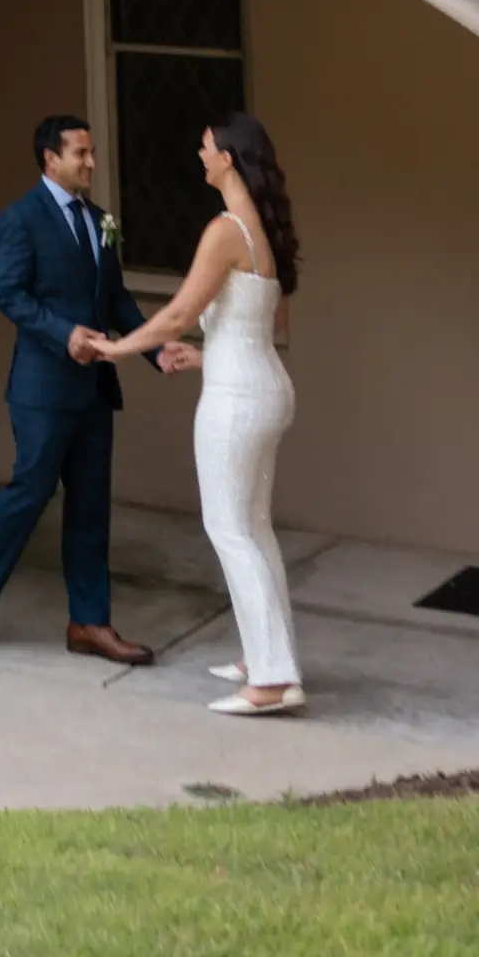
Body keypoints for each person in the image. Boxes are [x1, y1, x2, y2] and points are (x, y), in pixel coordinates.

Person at [0, 111, 192, 664]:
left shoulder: (101, 220)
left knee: (90, 507)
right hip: (41, 387)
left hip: (95, 392)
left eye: (91, 152)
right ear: (49, 159)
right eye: (79, 153)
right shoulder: (21, 218)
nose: (91, 162)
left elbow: (117, 301)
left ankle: (89, 622)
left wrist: (156, 348)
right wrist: (64, 336)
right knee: (31, 491)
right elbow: (7, 293)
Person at [96, 113, 304, 715]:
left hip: (237, 399)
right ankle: (266, 657)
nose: (199, 154)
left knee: (230, 529)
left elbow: (176, 314)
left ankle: (269, 680)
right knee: (254, 528)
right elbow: (272, 326)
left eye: (206, 148)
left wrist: (115, 347)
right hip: (264, 385)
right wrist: (205, 357)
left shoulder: (224, 230)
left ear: (229, 161)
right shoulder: (263, 228)